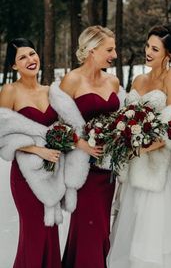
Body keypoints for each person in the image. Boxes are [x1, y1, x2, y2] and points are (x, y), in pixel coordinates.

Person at [107, 25, 171, 268]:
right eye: (147, 46)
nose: (148, 52)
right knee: (129, 228)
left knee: (151, 233)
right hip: (132, 167)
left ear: (169, 54)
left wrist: (143, 148)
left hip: (155, 170)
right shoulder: (139, 79)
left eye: (155, 49)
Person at [54, 25, 121, 268]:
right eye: (109, 49)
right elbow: (55, 127)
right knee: (87, 229)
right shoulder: (71, 80)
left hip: (109, 171)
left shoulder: (113, 81)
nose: (114, 55)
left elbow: (120, 120)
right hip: (84, 171)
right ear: (92, 50)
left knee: (102, 228)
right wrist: (80, 143)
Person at [0, 38, 62, 267]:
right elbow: (2, 134)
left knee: (50, 231)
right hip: (25, 177)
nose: (30, 60)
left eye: (32, 53)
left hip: (51, 174)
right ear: (14, 65)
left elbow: (62, 127)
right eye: (22, 57)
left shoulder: (50, 91)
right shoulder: (9, 91)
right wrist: (37, 150)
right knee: (34, 233)